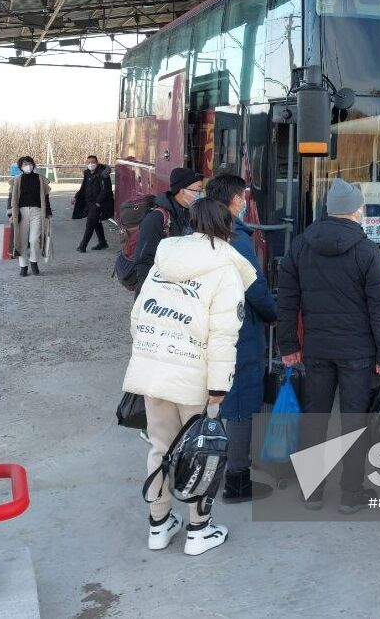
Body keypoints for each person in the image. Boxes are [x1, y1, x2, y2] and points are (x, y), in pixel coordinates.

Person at [122, 198, 257, 556]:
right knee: (203, 451)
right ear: (226, 225)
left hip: (153, 370)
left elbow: (138, 316)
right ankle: (199, 529)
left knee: (159, 447)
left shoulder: (164, 260)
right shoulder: (226, 268)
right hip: (195, 378)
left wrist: (153, 355)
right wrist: (219, 386)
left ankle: (159, 525)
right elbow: (224, 335)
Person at [276, 178, 380, 514]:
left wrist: (288, 345)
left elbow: (287, 300)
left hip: (316, 350)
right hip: (358, 353)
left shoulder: (300, 245)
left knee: (315, 419)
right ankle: (350, 493)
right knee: (353, 421)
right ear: (357, 210)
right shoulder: (366, 249)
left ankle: (312, 492)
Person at [204, 174, 278, 503]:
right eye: (243, 196)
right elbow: (255, 289)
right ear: (235, 200)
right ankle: (236, 481)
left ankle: (211, 468)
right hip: (240, 330)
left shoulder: (199, 232)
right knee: (240, 403)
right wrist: (274, 313)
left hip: (207, 328)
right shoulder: (238, 239)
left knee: (218, 399)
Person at [133, 167, 203, 295]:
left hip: (177, 287)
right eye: (198, 191)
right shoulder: (157, 218)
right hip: (156, 290)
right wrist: (148, 294)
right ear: (182, 191)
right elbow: (143, 260)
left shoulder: (191, 213)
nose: (201, 194)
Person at [7, 155, 52, 277]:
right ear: (20, 167)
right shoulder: (16, 180)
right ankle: (23, 266)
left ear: (33, 164)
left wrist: (48, 213)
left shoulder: (40, 179)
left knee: (34, 239)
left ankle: (34, 262)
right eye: (25, 164)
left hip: (37, 212)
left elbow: (46, 197)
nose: (28, 166)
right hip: (21, 212)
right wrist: (10, 214)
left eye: (30, 163)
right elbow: (11, 198)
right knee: (21, 240)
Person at [72, 155, 113, 252]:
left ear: (97, 163)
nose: (91, 164)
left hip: (98, 204)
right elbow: (83, 187)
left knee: (90, 223)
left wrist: (98, 202)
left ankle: (83, 246)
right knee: (96, 223)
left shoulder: (103, 174)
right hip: (89, 203)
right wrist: (76, 196)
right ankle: (102, 242)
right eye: (88, 162)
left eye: (93, 162)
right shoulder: (87, 173)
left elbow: (106, 190)